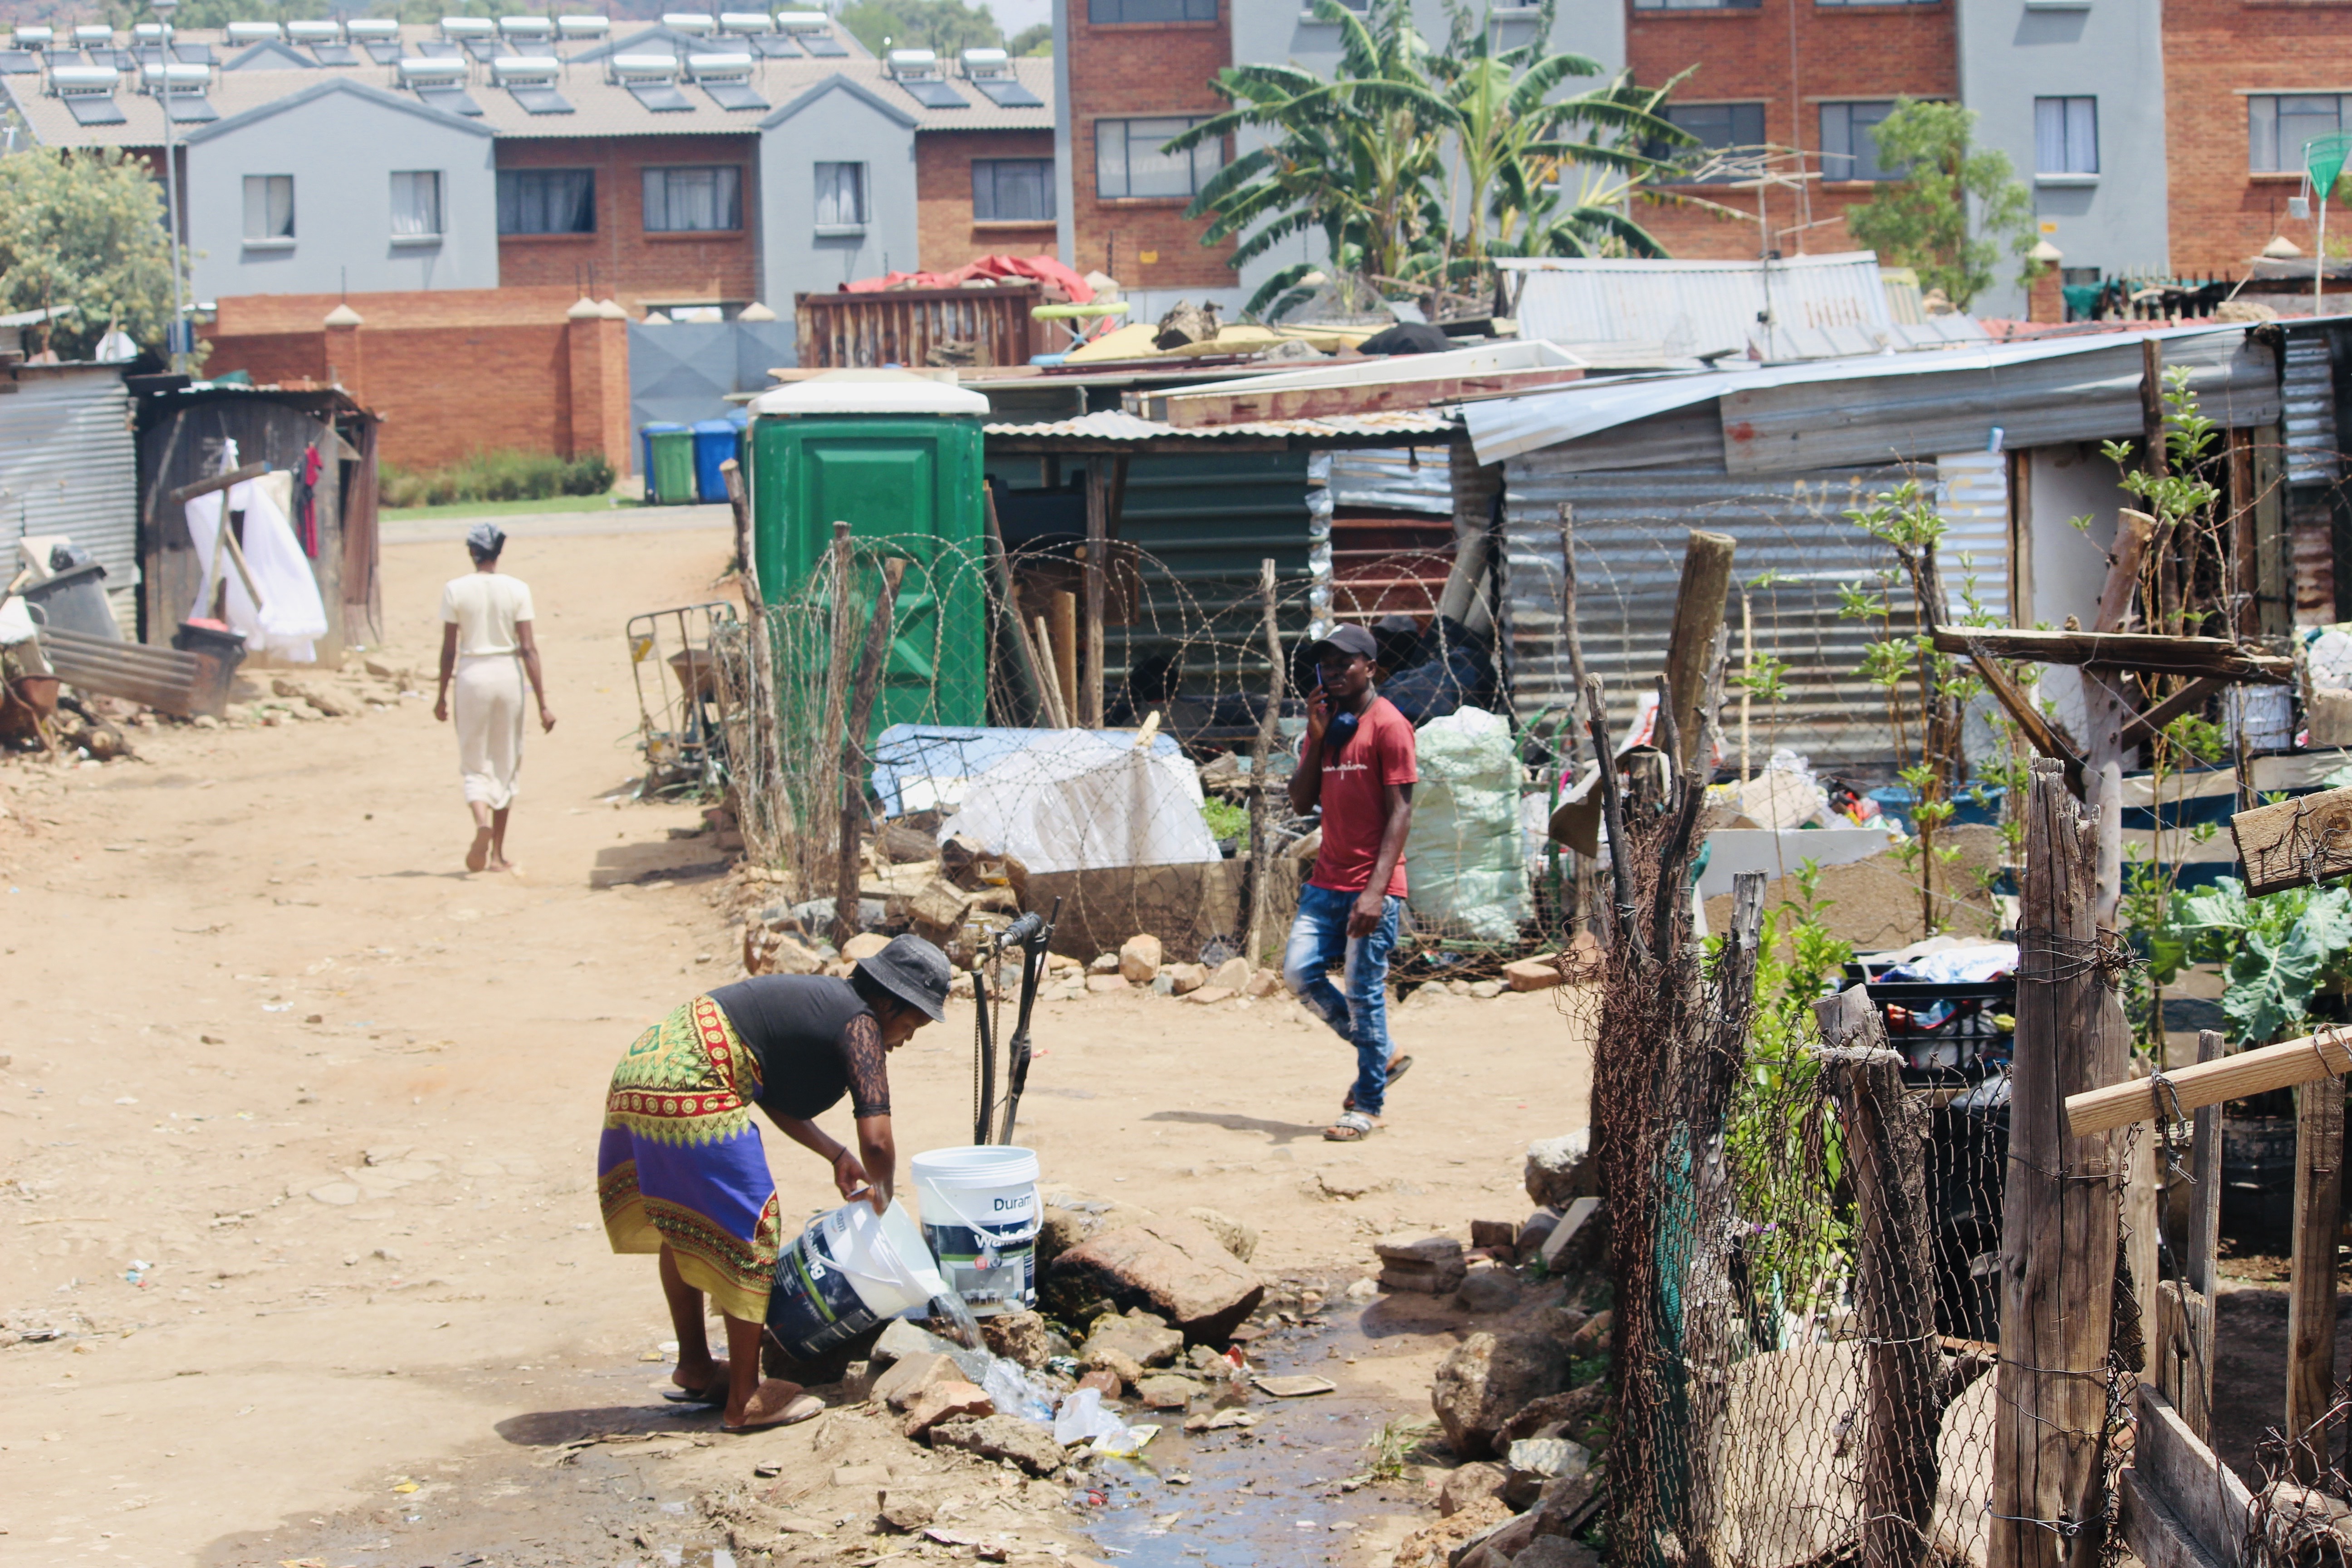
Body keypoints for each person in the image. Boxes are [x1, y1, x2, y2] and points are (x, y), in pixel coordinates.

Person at [596, 933, 951, 1432]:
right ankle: (746, 1399)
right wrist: (884, 1199)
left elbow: (772, 1095)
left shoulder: (821, 1002)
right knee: (752, 1223)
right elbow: (878, 1142)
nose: (907, 1039)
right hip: (693, 1084)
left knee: (686, 1220)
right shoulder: (861, 1024)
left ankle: (696, 1366)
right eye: (910, 1025)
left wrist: (834, 1154)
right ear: (889, 1003)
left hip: (646, 1068)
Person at [1283, 622, 1417, 1142]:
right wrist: (1315, 742)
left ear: (1371, 669)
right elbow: (1300, 802)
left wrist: (1376, 893)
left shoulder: (1389, 725)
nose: (1335, 672)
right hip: (1326, 881)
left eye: (1345, 663)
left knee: (1364, 995)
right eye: (1327, 665)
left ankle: (1367, 1106)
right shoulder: (1329, 727)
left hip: (1372, 885)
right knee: (1299, 975)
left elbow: (1401, 813)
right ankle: (1384, 1056)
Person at [433, 521, 554, 874]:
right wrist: (543, 704)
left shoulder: (455, 590)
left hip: (473, 676)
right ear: (499, 552)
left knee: (474, 760)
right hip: (508, 676)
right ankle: (498, 854)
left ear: (472, 552)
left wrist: (441, 695)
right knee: (507, 760)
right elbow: (529, 648)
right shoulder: (517, 589)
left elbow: (448, 650)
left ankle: (480, 819)